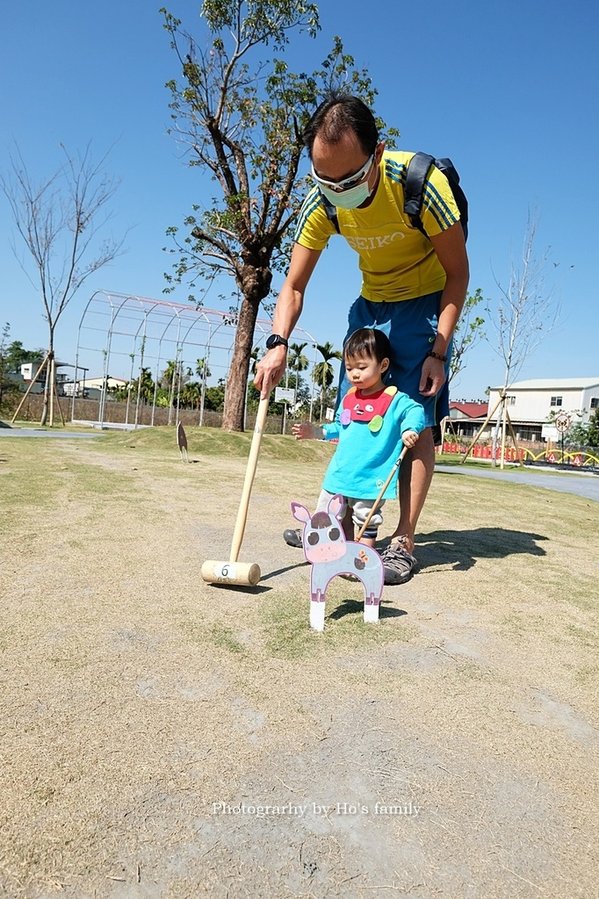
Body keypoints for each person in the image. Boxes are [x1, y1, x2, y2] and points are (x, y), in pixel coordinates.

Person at [254, 92, 469, 584]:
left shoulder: (421, 184)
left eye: (348, 180)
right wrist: (276, 342)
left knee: (413, 424)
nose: (337, 191)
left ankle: (403, 541)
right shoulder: (323, 201)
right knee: (353, 414)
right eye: (324, 180)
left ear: (378, 153)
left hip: (424, 304)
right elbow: (293, 284)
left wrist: (439, 349)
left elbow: (458, 273)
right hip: (370, 307)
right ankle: (337, 524)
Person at [288, 328, 425, 554]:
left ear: (383, 365)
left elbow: (416, 411)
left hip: (371, 479)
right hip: (339, 475)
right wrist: (315, 431)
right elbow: (339, 428)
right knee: (327, 514)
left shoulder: (394, 399)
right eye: (350, 368)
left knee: (367, 520)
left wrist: (410, 429)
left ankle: (363, 559)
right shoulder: (349, 398)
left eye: (362, 367)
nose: (355, 374)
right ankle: (325, 549)